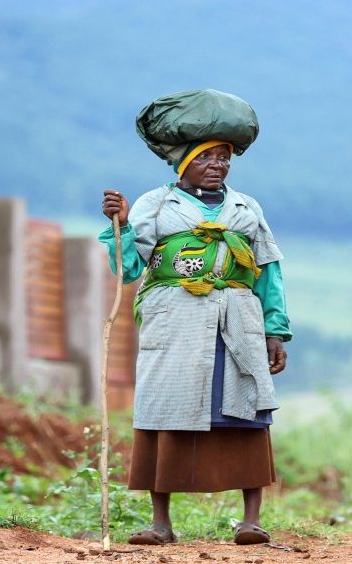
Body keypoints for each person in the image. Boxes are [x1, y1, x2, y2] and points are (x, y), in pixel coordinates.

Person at [99, 89, 290, 546]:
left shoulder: (245, 207)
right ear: (183, 162)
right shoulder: (156, 205)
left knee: (244, 408)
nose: (219, 165)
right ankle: (160, 523)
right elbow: (127, 269)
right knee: (166, 408)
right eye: (208, 157)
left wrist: (275, 330)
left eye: (225, 157)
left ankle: (251, 520)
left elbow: (267, 269)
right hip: (175, 320)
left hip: (238, 320)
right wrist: (119, 226)